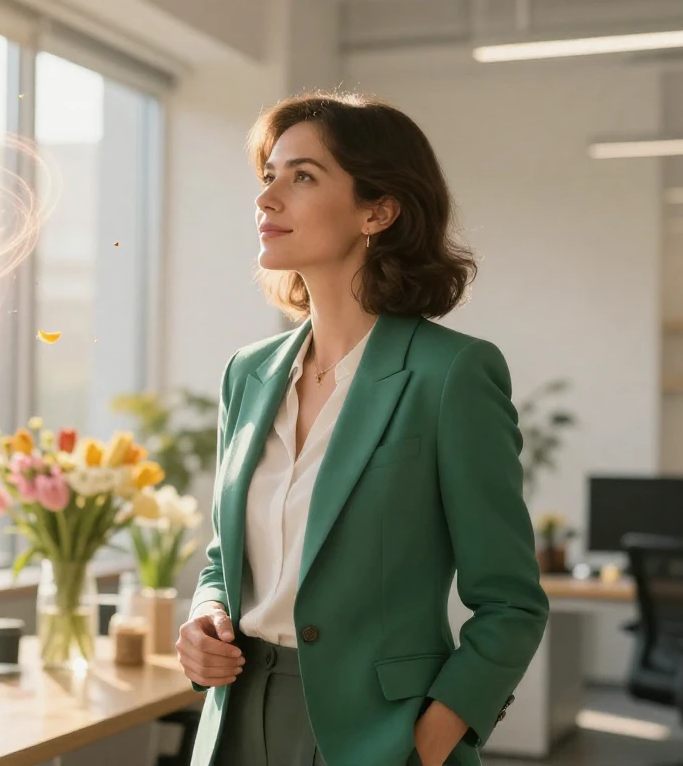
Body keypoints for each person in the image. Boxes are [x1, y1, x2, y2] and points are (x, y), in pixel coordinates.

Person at [176, 91, 549, 766]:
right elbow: (224, 557)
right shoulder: (248, 374)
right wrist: (204, 616)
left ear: (378, 210)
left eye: (303, 176)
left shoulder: (451, 375)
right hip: (233, 721)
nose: (267, 199)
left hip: (378, 735)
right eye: (269, 176)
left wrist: (434, 736)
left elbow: (511, 602)